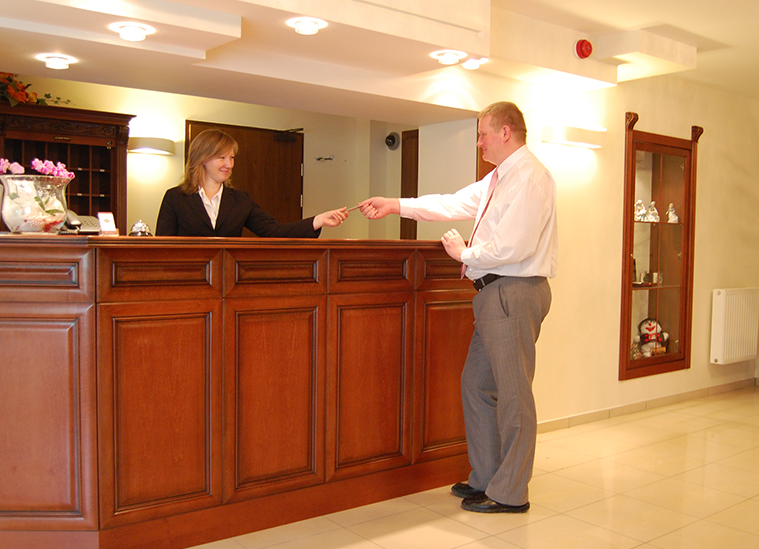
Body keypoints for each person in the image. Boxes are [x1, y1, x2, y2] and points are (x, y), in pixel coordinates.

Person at [358, 101, 557, 514]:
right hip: (494, 294)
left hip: (514, 292)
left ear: (505, 132)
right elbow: (451, 203)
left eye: (483, 134)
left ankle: (511, 493)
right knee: (475, 384)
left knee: (514, 395)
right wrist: (395, 204)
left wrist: (463, 253)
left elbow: (514, 247)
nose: (479, 142)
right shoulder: (499, 177)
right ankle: (487, 478)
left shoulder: (530, 177)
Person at [156, 129, 347, 237]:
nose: (229, 164)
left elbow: (274, 231)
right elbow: (163, 248)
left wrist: (318, 220)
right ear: (202, 159)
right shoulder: (175, 198)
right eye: (222, 158)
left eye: (232, 157)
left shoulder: (241, 200)